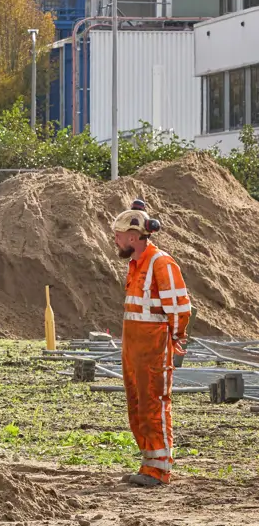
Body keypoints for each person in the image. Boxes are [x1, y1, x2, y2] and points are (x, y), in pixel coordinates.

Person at [113, 201, 192, 487]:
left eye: (119, 235)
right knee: (137, 404)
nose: (116, 240)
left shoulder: (161, 263)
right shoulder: (136, 264)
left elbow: (180, 308)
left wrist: (176, 336)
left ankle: (159, 470)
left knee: (153, 403)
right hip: (134, 346)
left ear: (133, 237)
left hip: (153, 346)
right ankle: (148, 465)